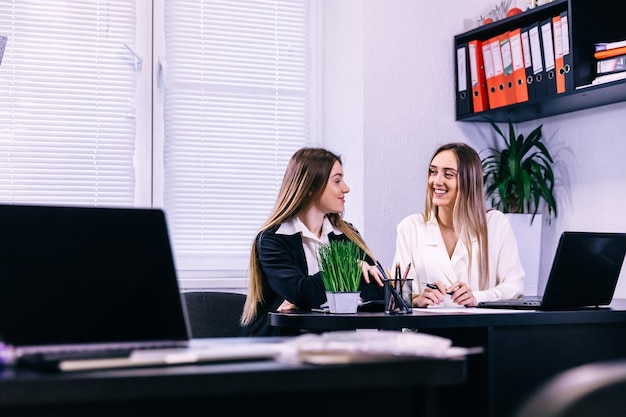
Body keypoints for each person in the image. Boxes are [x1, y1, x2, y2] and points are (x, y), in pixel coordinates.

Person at [240, 147, 385, 336]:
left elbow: (382, 293)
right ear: (310, 187)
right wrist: (348, 271)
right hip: (278, 347)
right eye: (337, 181)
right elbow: (303, 292)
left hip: (334, 346)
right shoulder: (272, 240)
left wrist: (313, 302)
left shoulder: (346, 234)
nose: (346, 188)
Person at [393, 142, 524, 308]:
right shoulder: (410, 227)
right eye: (433, 172)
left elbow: (515, 288)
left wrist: (476, 297)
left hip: (481, 331)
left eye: (448, 175)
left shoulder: (495, 224)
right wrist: (416, 299)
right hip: (427, 331)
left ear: (469, 181)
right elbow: (398, 295)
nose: (436, 181)